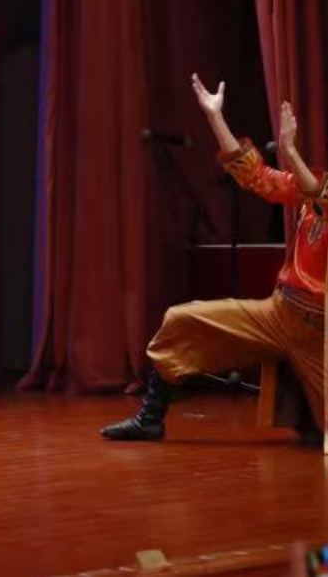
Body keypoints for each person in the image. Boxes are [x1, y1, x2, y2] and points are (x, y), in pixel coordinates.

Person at [102, 74, 326, 442]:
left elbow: (320, 195)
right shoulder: (309, 186)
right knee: (181, 321)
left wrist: (291, 150)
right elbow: (255, 175)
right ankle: (150, 417)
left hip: (320, 330)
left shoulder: (316, 189)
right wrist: (215, 116)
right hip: (280, 312)